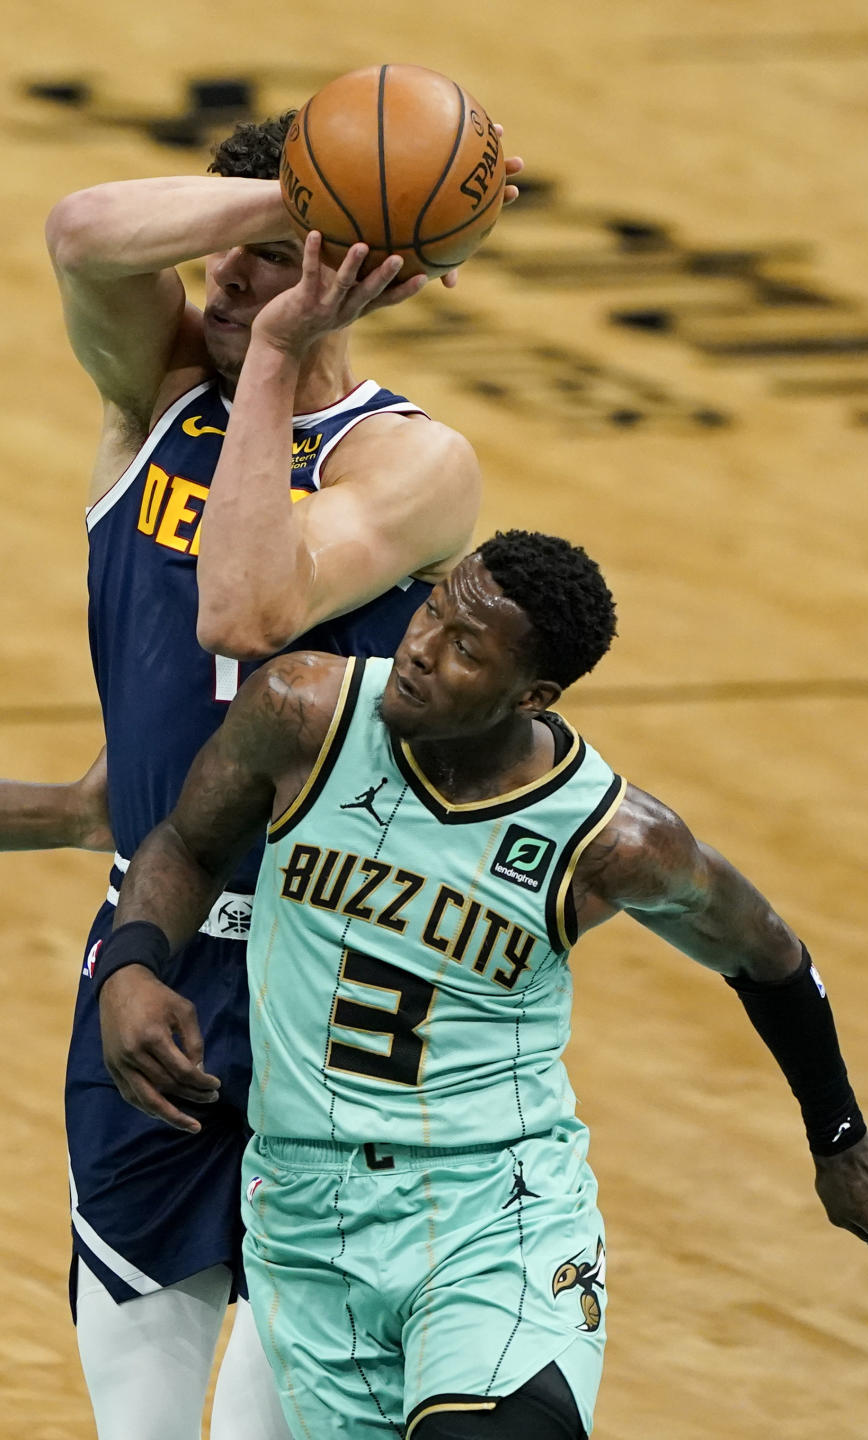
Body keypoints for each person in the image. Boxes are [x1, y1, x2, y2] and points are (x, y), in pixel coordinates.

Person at [93, 531, 868, 1440]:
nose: (419, 648)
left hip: (496, 1212)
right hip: (305, 1214)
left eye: (465, 649)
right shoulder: (304, 713)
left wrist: (839, 1135)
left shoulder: (611, 840)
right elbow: (186, 844)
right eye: (431, 614)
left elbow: (768, 956)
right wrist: (132, 962)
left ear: (532, 697)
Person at [1, 109, 521, 1439]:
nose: (229, 283)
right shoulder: (155, 395)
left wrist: (287, 348)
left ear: (350, 279)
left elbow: (243, 608)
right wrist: (281, 208)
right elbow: (78, 232)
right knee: (141, 1422)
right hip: (156, 962)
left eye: (270, 257)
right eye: (223, 248)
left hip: (339, 994)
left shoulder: (413, 463)